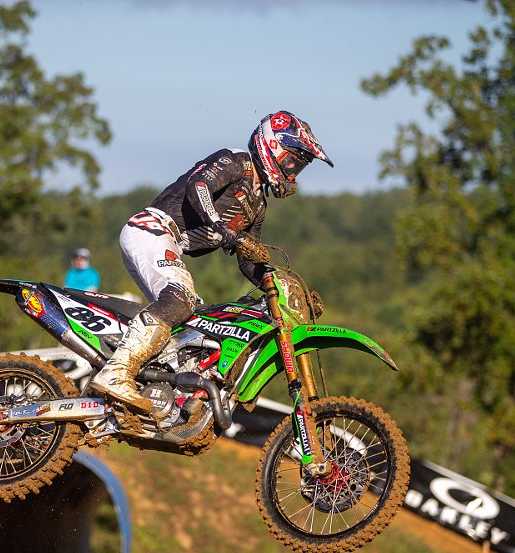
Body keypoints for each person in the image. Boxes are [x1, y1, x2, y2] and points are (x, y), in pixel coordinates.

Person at [87, 110, 332, 411]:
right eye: (292, 162)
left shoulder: (257, 205)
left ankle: (150, 394)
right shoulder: (236, 161)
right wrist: (220, 226)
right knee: (181, 298)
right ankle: (116, 372)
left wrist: (281, 289)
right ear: (272, 146)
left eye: (299, 167)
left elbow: (248, 262)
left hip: (165, 242)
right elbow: (198, 186)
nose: (293, 173)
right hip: (152, 228)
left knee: (194, 326)